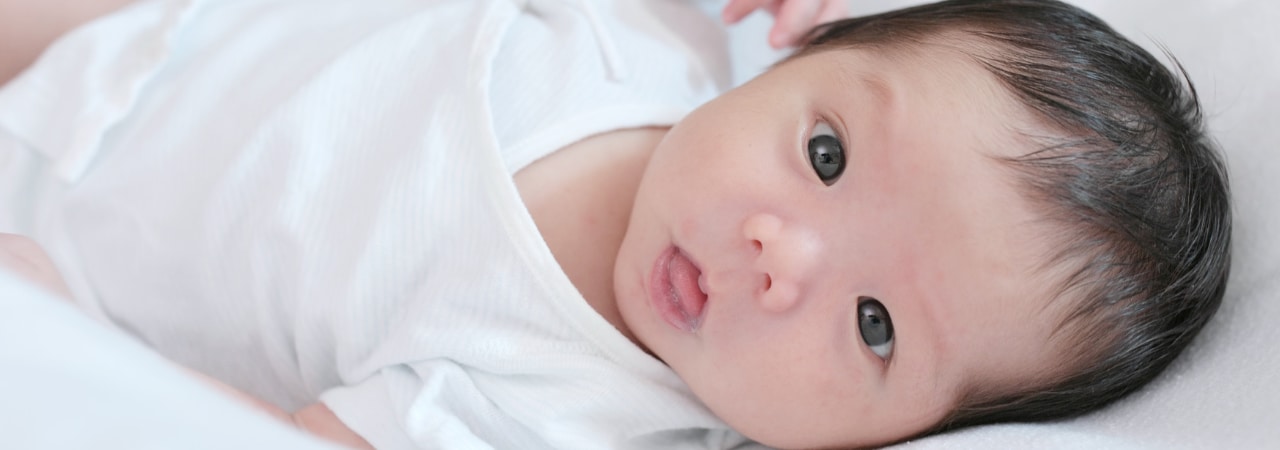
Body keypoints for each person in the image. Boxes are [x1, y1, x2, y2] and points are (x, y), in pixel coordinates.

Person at [0, 0, 1230, 449]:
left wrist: (65, 333)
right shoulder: (659, 47)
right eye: (826, 153)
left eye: (872, 326)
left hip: (60, 233)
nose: (777, 256)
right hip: (141, 34)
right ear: (792, 52)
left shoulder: (564, 410)